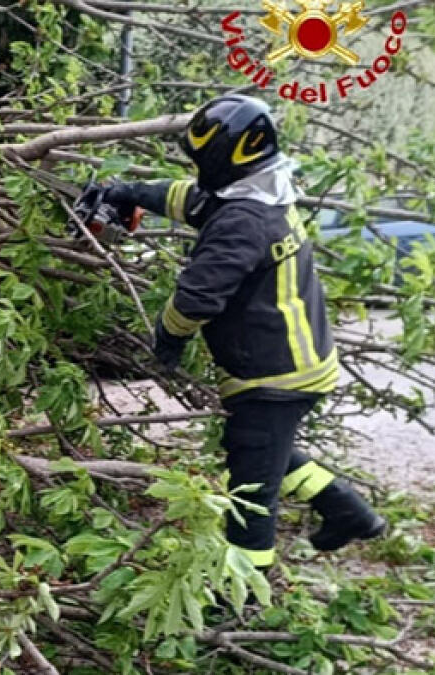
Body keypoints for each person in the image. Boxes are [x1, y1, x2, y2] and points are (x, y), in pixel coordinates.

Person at [82, 94, 386, 574]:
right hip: (292, 359)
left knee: (251, 491)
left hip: (276, 370)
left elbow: (197, 298)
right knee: (261, 449)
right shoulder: (259, 189)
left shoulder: (244, 220)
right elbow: (192, 198)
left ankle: (245, 589)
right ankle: (349, 512)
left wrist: (168, 338)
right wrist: (130, 193)